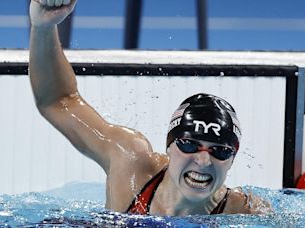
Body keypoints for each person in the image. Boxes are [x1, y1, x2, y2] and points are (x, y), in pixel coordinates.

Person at [29, 0, 272, 215]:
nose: (203, 160)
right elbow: (57, 101)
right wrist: (43, 27)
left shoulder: (242, 212)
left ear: (232, 159)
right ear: (169, 146)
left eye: (219, 151)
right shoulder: (131, 164)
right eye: (189, 144)